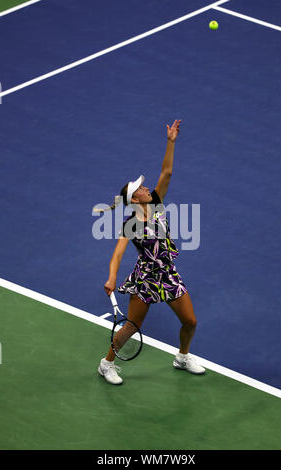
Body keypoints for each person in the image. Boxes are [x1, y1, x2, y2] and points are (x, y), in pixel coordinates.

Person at [98, 120, 205, 385]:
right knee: (131, 327)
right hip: (146, 279)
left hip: (168, 273)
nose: (146, 188)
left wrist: (171, 142)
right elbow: (117, 255)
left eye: (145, 187)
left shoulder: (156, 205)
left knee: (190, 321)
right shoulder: (130, 225)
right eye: (141, 189)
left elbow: (166, 172)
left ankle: (182, 357)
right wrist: (112, 278)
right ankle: (107, 363)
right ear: (135, 199)